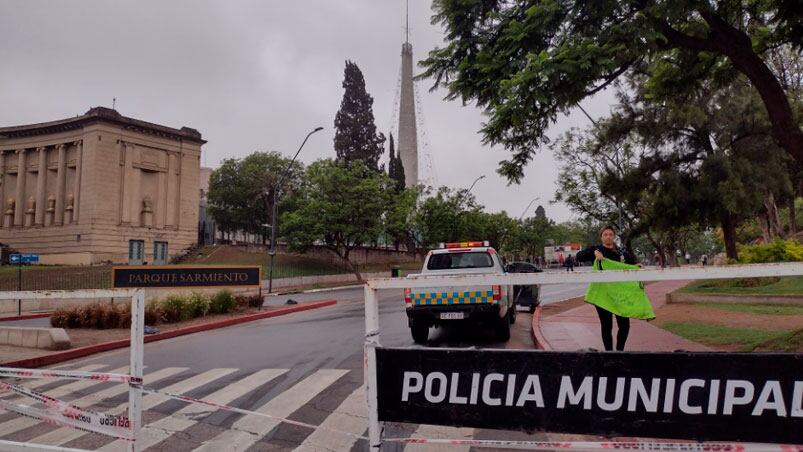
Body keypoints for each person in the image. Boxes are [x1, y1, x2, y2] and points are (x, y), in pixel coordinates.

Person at [575, 225, 643, 351]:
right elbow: (579, 256)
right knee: (607, 326)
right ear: (601, 237)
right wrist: (593, 253)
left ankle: (619, 351)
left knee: (624, 326)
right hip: (603, 294)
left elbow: (632, 265)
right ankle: (609, 354)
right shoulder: (597, 250)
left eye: (610, 234)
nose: (608, 237)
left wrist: (636, 266)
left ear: (614, 236)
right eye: (605, 234)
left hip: (620, 295)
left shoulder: (621, 253)